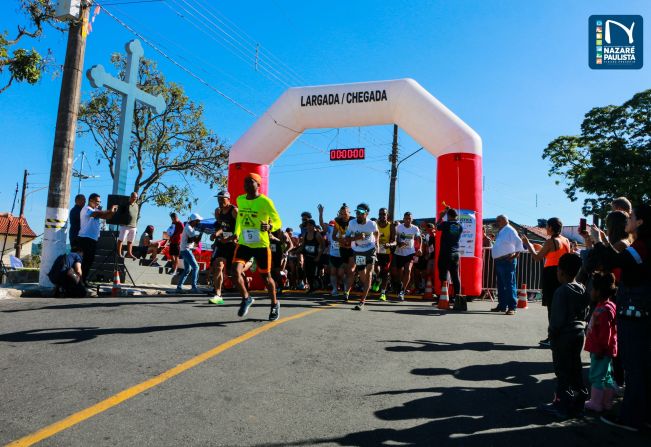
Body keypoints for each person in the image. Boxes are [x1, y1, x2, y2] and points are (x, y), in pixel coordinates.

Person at [592, 203, 651, 432]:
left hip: (635, 312)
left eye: (632, 216)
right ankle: (642, 414)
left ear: (640, 222)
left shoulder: (642, 246)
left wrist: (598, 240)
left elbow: (613, 262)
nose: (628, 218)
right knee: (642, 366)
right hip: (640, 312)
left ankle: (632, 418)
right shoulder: (640, 247)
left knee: (635, 366)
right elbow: (621, 259)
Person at [542, 253, 589, 419]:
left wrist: (551, 335)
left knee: (562, 372)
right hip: (579, 333)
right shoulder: (582, 288)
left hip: (563, 336)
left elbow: (556, 320)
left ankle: (562, 405)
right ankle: (579, 402)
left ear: (560, 271)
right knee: (575, 368)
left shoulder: (561, 291)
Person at [232, 173, 283, 321]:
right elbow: (240, 219)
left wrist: (270, 226)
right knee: (235, 272)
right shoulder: (240, 199)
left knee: (266, 278)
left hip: (261, 244)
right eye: (245, 182)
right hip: (245, 243)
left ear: (258, 185)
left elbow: (278, 221)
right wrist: (236, 233)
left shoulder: (265, 202)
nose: (246, 184)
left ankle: (274, 304)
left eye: (250, 182)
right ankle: (246, 298)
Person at [521, 217, 571, 347]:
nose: (545, 228)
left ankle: (552, 337)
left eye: (547, 226)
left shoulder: (551, 241)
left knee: (552, 308)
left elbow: (537, 257)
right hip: (563, 273)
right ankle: (560, 336)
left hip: (551, 275)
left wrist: (528, 244)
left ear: (551, 228)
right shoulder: (566, 240)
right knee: (562, 307)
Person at [584, 271, 618, 413]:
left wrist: (600, 349)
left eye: (592, 289)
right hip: (606, 350)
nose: (590, 291)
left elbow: (605, 334)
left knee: (596, 375)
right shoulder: (608, 306)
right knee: (607, 376)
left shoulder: (603, 310)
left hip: (601, 350)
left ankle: (596, 403)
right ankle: (607, 403)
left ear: (598, 292)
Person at [76, 193, 118, 283]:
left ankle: (83, 281)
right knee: (84, 262)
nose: (98, 203)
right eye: (97, 201)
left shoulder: (96, 210)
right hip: (85, 238)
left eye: (100, 202)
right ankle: (79, 282)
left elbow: (106, 216)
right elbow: (96, 214)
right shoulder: (86, 209)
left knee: (89, 262)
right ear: (91, 200)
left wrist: (112, 212)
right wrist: (109, 210)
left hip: (93, 239)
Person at [345, 203, 378, 311]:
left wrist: (376, 243)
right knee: (362, 275)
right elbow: (347, 238)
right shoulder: (352, 223)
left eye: (361, 213)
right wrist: (356, 237)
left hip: (370, 250)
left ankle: (362, 301)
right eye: (357, 212)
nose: (358, 215)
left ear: (366, 214)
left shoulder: (372, 224)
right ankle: (373, 281)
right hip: (357, 250)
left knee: (368, 274)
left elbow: (377, 232)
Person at [490, 215, 524, 315]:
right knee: (501, 284)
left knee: (509, 284)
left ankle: (512, 307)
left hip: (506, 260)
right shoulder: (503, 230)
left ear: (503, 221)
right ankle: (502, 305)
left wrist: (515, 256)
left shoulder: (509, 230)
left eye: (498, 221)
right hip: (501, 260)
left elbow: (519, 242)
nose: (496, 222)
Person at [208, 191, 238, 305]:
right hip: (222, 243)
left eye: (222, 199)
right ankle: (218, 294)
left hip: (233, 243)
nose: (220, 201)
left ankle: (245, 291)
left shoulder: (234, 211)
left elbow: (239, 228)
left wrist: (231, 238)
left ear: (228, 199)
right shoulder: (218, 211)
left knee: (233, 272)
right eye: (218, 199)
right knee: (218, 265)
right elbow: (223, 227)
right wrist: (216, 233)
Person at [436, 207, 463, 308]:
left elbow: (437, 226)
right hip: (456, 253)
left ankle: (443, 297)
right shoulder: (460, 225)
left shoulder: (446, 224)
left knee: (443, 275)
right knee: (455, 276)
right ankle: (457, 298)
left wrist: (441, 216)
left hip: (445, 253)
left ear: (449, 216)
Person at [393, 212, 422, 302]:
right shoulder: (399, 227)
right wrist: (399, 243)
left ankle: (402, 292)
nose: (408, 220)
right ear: (403, 219)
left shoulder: (415, 228)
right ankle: (399, 286)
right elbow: (394, 238)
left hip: (410, 252)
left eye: (409, 218)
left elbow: (419, 238)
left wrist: (419, 248)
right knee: (398, 273)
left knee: (408, 270)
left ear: (412, 219)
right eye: (406, 218)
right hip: (399, 253)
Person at [175, 213, 203, 294]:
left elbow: (193, 240)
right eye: (198, 221)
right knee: (196, 267)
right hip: (186, 250)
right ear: (194, 221)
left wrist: (199, 234)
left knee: (187, 269)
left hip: (185, 250)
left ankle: (179, 287)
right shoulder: (189, 228)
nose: (199, 223)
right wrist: (201, 233)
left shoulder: (189, 227)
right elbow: (196, 241)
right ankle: (194, 287)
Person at [298, 219, 324, 293]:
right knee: (307, 273)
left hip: (315, 257)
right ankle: (311, 288)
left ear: (313, 226)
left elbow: (322, 246)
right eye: (307, 225)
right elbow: (303, 246)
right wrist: (297, 251)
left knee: (315, 274)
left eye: (310, 225)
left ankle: (319, 286)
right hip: (307, 257)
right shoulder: (305, 234)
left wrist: (318, 256)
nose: (309, 227)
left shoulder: (317, 234)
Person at [375, 207, 395, 301]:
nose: (382, 216)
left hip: (386, 253)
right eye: (380, 214)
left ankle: (383, 293)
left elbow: (394, 242)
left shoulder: (391, 226)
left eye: (384, 214)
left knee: (385, 273)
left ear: (387, 215)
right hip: (376, 252)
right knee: (377, 270)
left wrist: (389, 244)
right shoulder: (375, 225)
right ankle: (378, 280)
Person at [270, 228, 293, 295]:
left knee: (277, 271)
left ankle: (280, 287)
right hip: (270, 253)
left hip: (278, 254)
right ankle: (274, 288)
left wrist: (285, 252)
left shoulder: (281, 232)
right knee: (271, 271)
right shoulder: (266, 229)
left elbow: (290, 245)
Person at [117, 192, 139, 259]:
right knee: (121, 239)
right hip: (125, 225)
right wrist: (121, 221)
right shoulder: (126, 204)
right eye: (133, 197)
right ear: (131, 197)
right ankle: (119, 253)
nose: (135, 198)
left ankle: (129, 253)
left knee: (130, 241)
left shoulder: (136, 205)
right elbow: (120, 213)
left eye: (136, 197)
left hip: (133, 226)